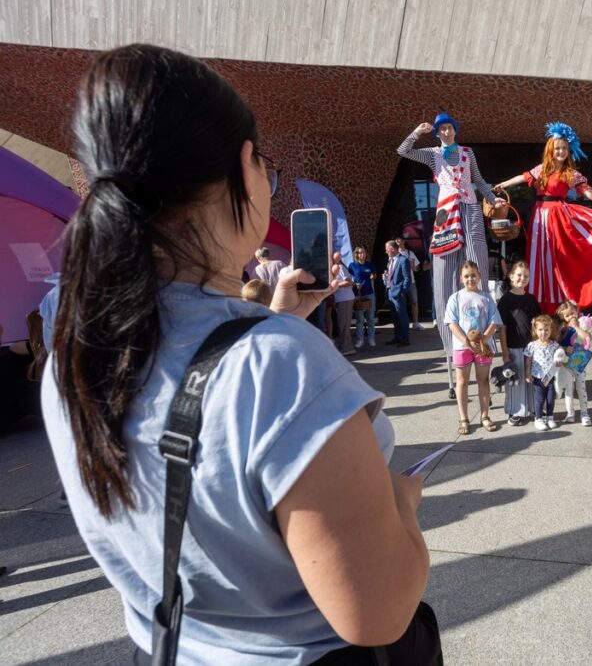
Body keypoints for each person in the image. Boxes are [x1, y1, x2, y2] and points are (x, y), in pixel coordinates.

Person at [42, 45, 432, 664]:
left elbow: (196, 418)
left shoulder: (78, 350)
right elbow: (376, 613)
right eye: (266, 165)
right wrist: (401, 504)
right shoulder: (281, 365)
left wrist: (269, 323)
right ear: (244, 165)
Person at [493, 122, 592, 313]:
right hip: (539, 216)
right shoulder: (542, 170)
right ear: (551, 150)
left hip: (558, 218)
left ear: (568, 150)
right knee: (538, 259)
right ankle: (539, 305)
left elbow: (590, 193)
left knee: (560, 259)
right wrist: (503, 184)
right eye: (557, 148)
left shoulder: (570, 173)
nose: (561, 152)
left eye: (564, 148)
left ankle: (562, 303)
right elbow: (522, 177)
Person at [397, 113, 499, 356]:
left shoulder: (467, 153)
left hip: (470, 209)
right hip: (446, 215)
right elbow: (403, 151)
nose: (446, 132)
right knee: (444, 275)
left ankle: (486, 340)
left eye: (449, 128)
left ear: (455, 130)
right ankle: (451, 344)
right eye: (441, 129)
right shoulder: (432, 154)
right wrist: (417, 131)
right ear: (437, 132)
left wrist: (494, 200)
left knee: (479, 266)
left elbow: (480, 181)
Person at [444, 260, 502, 435]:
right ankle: (464, 418)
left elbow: (494, 321)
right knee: (461, 382)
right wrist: (467, 342)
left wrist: (483, 339)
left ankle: (485, 415)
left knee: (483, 381)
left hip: (484, 347)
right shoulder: (456, 297)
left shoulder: (486, 297)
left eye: (473, 275)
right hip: (462, 347)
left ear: (479, 276)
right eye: (466, 276)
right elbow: (451, 323)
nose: (470, 279)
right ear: (461, 278)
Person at [497, 261, 541, 426]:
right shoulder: (505, 300)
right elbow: (502, 328)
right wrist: (505, 352)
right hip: (513, 346)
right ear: (511, 276)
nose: (522, 278)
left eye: (526, 276)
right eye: (519, 275)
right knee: (515, 379)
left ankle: (532, 407)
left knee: (531, 378)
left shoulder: (530, 299)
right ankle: (514, 411)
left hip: (530, 347)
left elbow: (537, 322)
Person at [554, 300, 592, 426]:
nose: (571, 317)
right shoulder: (561, 328)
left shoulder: (583, 323)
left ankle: (585, 414)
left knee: (581, 388)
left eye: (573, 313)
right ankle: (570, 413)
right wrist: (564, 349)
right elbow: (556, 343)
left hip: (579, 361)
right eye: (567, 315)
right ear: (563, 317)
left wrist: (576, 327)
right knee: (568, 389)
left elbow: (587, 337)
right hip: (566, 363)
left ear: (577, 311)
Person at [524, 314, 562, 432]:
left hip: (551, 377)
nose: (543, 332)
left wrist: (560, 361)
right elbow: (528, 360)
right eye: (540, 330)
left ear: (551, 330)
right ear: (535, 330)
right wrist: (527, 373)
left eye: (546, 330)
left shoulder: (554, 345)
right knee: (539, 399)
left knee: (551, 398)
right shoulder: (532, 345)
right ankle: (538, 419)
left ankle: (550, 417)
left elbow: (559, 357)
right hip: (538, 377)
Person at [384, 240, 412, 347]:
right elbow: (390, 276)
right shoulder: (390, 261)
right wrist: (385, 279)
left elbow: (407, 279)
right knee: (395, 317)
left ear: (392, 249)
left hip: (398, 293)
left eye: (387, 249)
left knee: (402, 316)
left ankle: (405, 339)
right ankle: (398, 337)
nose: (385, 251)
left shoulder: (403, 260)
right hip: (390, 292)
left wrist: (402, 291)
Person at [349, 246, 376, 348]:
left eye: (364, 252)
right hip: (358, 294)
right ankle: (360, 340)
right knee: (359, 319)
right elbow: (348, 278)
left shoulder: (370, 264)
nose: (362, 254)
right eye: (360, 253)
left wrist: (373, 276)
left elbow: (374, 274)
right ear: (356, 254)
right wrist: (354, 284)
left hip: (369, 293)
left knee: (370, 318)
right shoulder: (352, 266)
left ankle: (371, 338)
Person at [394, 236, 423, 330]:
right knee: (401, 303)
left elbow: (417, 268)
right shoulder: (394, 254)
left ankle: (415, 323)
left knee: (414, 302)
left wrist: (413, 267)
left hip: (411, 282)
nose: (397, 240)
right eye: (396, 239)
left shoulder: (410, 253)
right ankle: (403, 324)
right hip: (399, 283)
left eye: (399, 239)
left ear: (404, 241)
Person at [332, 261, 357, 355]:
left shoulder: (340, 267)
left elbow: (348, 282)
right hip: (341, 299)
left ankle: (347, 348)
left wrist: (334, 286)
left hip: (345, 299)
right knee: (342, 324)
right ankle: (345, 346)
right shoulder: (337, 268)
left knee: (344, 325)